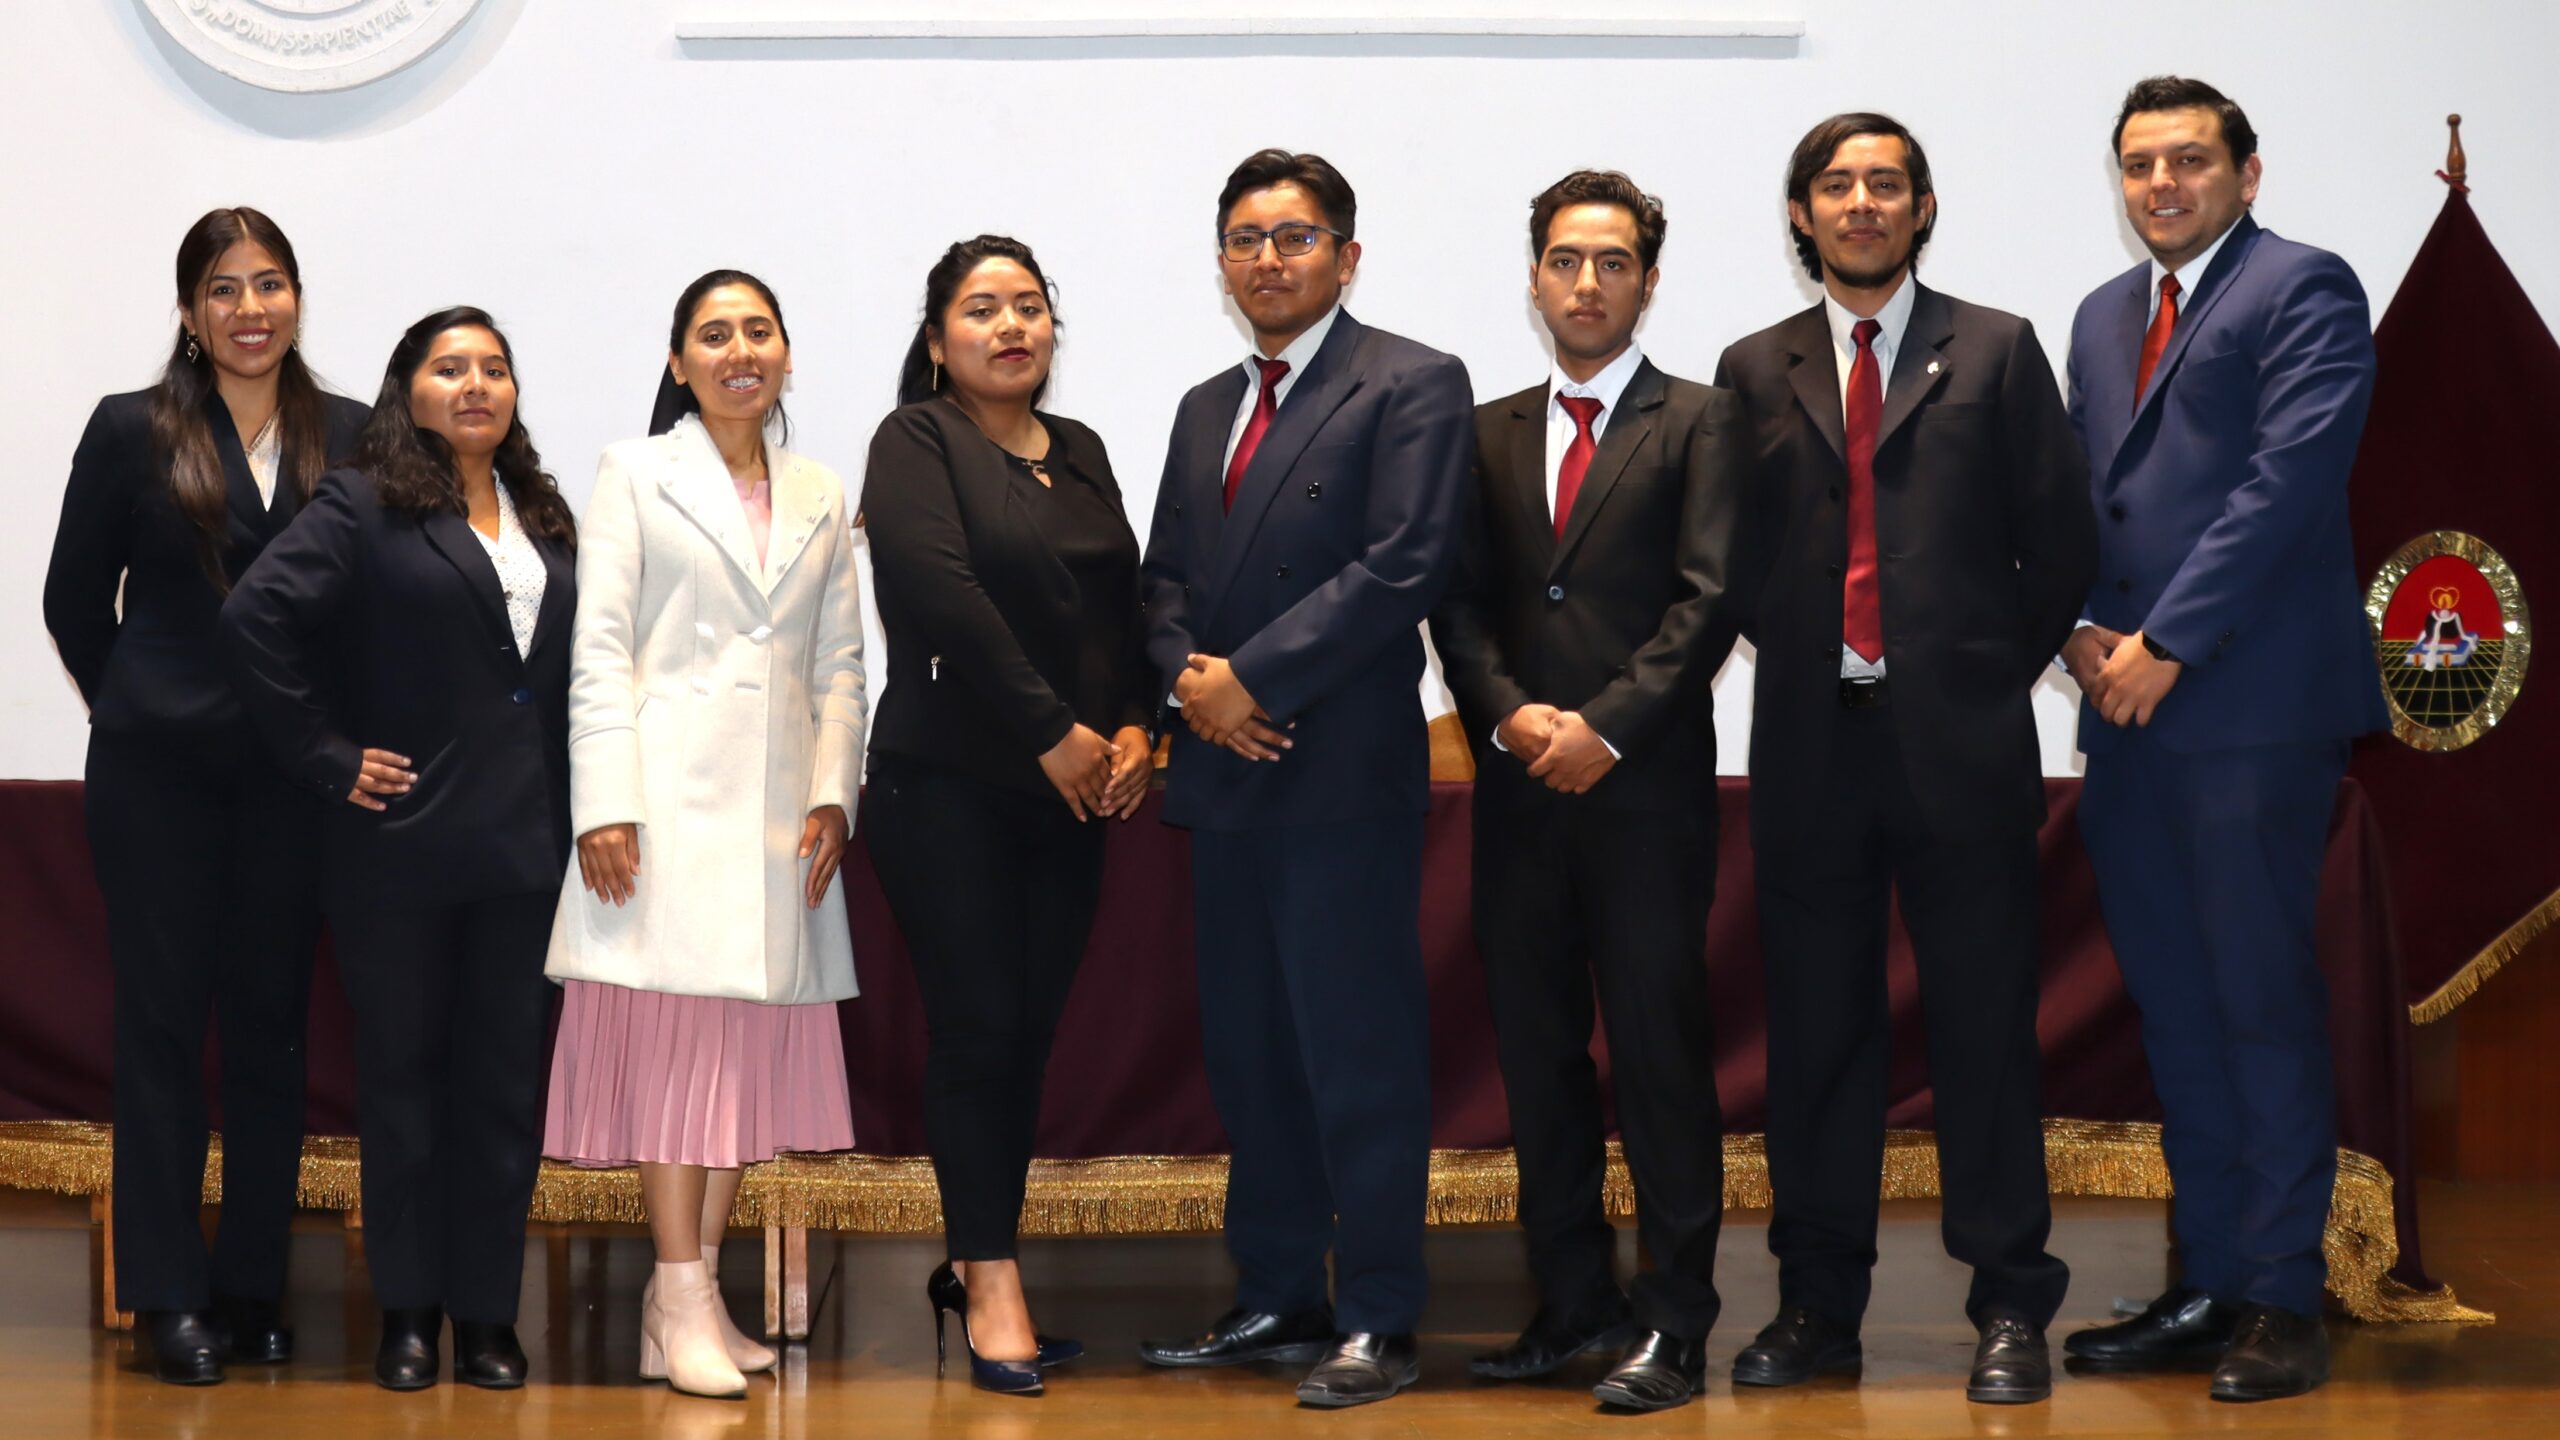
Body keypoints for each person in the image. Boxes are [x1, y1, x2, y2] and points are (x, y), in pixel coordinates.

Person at [1713, 113, 2094, 1405]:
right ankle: (1818, 1308)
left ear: (1922, 209)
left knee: (1984, 1035)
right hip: (1811, 752)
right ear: (1802, 213)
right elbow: (1728, 558)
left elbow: (2062, 543)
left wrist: (1978, 670)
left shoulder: (1995, 348)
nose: (1862, 202)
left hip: (1961, 752)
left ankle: (2011, 1305)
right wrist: (1806, 643)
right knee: (1817, 1041)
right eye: (1837, 184)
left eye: (1886, 183)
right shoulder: (1752, 366)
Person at [2058, 76, 2383, 1404]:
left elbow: (2285, 485)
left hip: (2250, 712)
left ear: (2247, 174)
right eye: (2141, 163)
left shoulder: (2303, 287)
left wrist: (2169, 643)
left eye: (2190, 159)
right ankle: (2207, 1280)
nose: (2162, 183)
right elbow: (2081, 497)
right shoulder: (2100, 315)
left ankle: (2282, 1298)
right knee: (2177, 1010)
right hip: (2126, 717)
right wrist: (2076, 628)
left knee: (2258, 1002)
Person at [1133, 149, 1472, 1409]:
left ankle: (1378, 1316)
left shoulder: (1412, 381)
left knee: (1358, 1057)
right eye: (1245, 239)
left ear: (1346, 254)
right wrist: (1189, 683)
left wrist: (1252, 682)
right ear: (1221, 261)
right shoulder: (1202, 406)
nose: (1267, 259)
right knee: (1252, 1056)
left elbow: (1404, 565)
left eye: (1295, 237)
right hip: (1224, 775)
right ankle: (1279, 1296)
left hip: (1334, 768)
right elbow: (1162, 579)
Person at [1428, 169, 1747, 1412]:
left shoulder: (1701, 419)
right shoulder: (1484, 430)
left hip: (1644, 798)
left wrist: (1603, 728)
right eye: (1565, 260)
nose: (1586, 283)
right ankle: (1571, 1304)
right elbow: (1456, 604)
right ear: (1533, 278)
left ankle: (1674, 1323)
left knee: (1660, 1063)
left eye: (1612, 262)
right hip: (1518, 798)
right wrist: (1507, 716)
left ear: (1647, 283)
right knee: (1538, 1061)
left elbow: (1707, 600)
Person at [221, 307, 578, 1393]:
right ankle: (409, 1317)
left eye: (495, 368)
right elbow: (253, 618)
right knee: (404, 1091)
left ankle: (488, 1317)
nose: (476, 385)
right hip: (400, 850)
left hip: (528, 851)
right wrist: (325, 755)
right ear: (406, 391)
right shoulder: (363, 502)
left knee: (503, 1094)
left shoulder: (544, 513)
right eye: (449, 368)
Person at [41, 206, 368, 1386]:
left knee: (272, 1034)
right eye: (223, 289)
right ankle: (168, 1296)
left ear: (297, 300)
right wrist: (138, 705)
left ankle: (250, 1286)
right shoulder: (132, 428)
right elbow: (74, 601)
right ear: (189, 311)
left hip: (292, 786)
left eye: (269, 284)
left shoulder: (354, 433)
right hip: (160, 785)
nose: (249, 309)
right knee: (164, 1034)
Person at [541, 270, 867, 1400]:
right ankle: (677, 1292)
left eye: (759, 331)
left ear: (787, 355)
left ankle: (688, 1300)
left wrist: (834, 794)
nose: (741, 351)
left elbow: (841, 663)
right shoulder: (635, 472)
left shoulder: (821, 487)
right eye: (714, 334)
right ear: (679, 362)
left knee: (737, 1068)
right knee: (678, 1060)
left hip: (778, 825)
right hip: (663, 812)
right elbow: (598, 648)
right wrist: (604, 804)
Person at [861, 236, 1154, 1397]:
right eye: (982, 309)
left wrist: (1131, 726)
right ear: (939, 341)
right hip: (946, 786)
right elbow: (944, 594)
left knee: (1025, 1039)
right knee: (979, 1031)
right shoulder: (915, 441)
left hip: (1071, 793)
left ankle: (977, 1251)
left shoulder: (1078, 450)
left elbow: (1122, 609)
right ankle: (988, 1278)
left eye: (1028, 306)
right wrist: (1052, 731)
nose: (1010, 326)